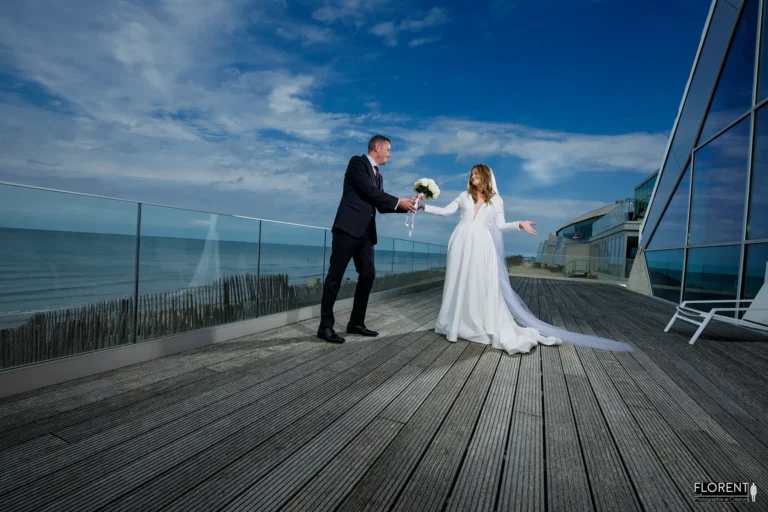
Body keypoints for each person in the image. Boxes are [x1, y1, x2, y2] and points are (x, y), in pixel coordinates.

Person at [418, 164, 633, 354]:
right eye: (471, 174)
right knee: (458, 281)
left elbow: (500, 226)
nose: (472, 177)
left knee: (477, 282)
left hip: (482, 245)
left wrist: (519, 223)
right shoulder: (463, 196)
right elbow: (446, 212)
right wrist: (423, 206)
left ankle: (475, 324)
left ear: (484, 176)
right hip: (461, 241)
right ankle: (455, 323)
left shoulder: (497, 201)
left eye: (476, 174)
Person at [318, 135, 417, 344]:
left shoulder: (379, 176)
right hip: (346, 229)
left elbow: (380, 205)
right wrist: (398, 200)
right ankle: (325, 327)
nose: (390, 155)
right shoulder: (357, 163)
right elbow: (368, 191)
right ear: (378, 147)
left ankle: (356, 323)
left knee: (368, 275)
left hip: (365, 234)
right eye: (388, 150)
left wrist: (407, 206)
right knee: (334, 279)